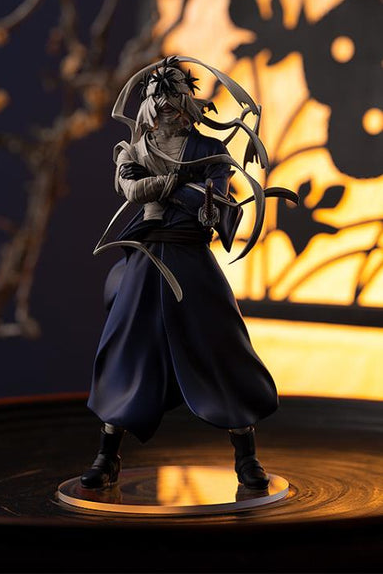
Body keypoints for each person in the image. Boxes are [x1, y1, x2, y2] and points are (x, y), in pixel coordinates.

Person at [81, 57, 297, 491]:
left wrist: (179, 193)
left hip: (192, 258)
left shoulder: (209, 151)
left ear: (189, 103)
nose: (167, 107)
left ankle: (246, 457)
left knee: (222, 346)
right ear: (147, 105)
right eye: (159, 99)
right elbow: (133, 189)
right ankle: (107, 455)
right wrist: (181, 187)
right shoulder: (133, 150)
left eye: (175, 98)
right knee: (126, 348)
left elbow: (214, 201)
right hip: (146, 258)